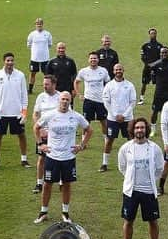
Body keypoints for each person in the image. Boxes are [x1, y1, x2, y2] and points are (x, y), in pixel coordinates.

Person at [35, 92, 92, 224]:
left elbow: (89, 129)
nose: (65, 102)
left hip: (68, 157)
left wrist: (81, 145)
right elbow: (36, 127)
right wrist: (40, 144)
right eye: (63, 99)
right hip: (52, 156)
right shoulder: (50, 115)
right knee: (47, 184)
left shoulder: (76, 116)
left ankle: (65, 212)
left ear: (70, 101)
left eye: (67, 100)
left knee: (66, 184)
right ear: (58, 101)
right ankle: (43, 212)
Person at [117, 117, 165, 239]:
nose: (139, 130)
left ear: (146, 130)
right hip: (131, 191)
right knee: (128, 221)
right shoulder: (126, 148)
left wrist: (150, 180)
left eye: (142, 128)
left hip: (149, 191)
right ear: (133, 130)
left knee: (153, 221)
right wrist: (131, 180)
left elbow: (159, 168)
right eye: (137, 128)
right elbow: (122, 167)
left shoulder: (154, 148)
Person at [0, 52, 30, 171]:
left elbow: (24, 96)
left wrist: (24, 113)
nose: (10, 63)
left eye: (12, 60)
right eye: (8, 60)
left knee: (21, 135)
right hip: (1, 113)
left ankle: (24, 159)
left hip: (16, 113)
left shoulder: (20, 75)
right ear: (4, 61)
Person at [77, 52, 111, 160]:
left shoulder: (103, 71)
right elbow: (76, 82)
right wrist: (79, 94)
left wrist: (107, 95)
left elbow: (108, 83)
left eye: (95, 58)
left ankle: (106, 140)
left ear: (98, 60)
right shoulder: (83, 71)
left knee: (103, 121)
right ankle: (83, 141)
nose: (93, 60)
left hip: (101, 101)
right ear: (88, 60)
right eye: (91, 58)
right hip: (88, 101)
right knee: (86, 122)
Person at [103, 63, 137, 171]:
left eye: (120, 69)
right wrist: (114, 115)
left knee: (131, 140)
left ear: (123, 70)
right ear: (113, 71)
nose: (118, 71)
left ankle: (132, 162)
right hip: (113, 119)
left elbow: (133, 102)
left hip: (127, 119)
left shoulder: (130, 85)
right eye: (116, 69)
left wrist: (124, 115)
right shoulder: (109, 85)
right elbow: (106, 101)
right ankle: (104, 163)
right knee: (109, 140)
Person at [31, 75, 61, 194]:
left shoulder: (61, 97)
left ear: (54, 85)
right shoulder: (41, 97)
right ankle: (39, 183)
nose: (44, 86)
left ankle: (61, 181)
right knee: (42, 158)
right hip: (43, 133)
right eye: (44, 84)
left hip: (57, 133)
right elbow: (35, 114)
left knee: (59, 157)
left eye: (47, 84)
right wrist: (40, 128)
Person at [148, 46, 168, 130]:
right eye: (162, 52)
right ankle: (153, 129)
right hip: (159, 92)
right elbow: (153, 76)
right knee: (155, 111)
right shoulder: (156, 65)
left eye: (166, 52)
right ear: (160, 54)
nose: (164, 54)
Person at [26, 17, 53, 94]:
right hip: (34, 58)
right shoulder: (32, 34)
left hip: (45, 58)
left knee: (47, 75)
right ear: (35, 25)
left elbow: (50, 44)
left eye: (40, 23)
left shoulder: (47, 34)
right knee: (32, 74)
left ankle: (47, 89)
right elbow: (29, 45)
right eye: (37, 24)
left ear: (42, 24)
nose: (39, 25)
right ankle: (30, 89)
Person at [138, 27, 165, 104]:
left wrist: (154, 64)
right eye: (151, 33)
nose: (153, 35)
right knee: (144, 83)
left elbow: (162, 58)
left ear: (156, 34)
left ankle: (158, 99)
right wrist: (148, 64)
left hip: (157, 68)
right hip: (147, 67)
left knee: (158, 84)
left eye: (154, 33)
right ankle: (141, 99)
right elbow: (142, 57)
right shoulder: (145, 46)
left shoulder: (160, 46)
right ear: (149, 35)